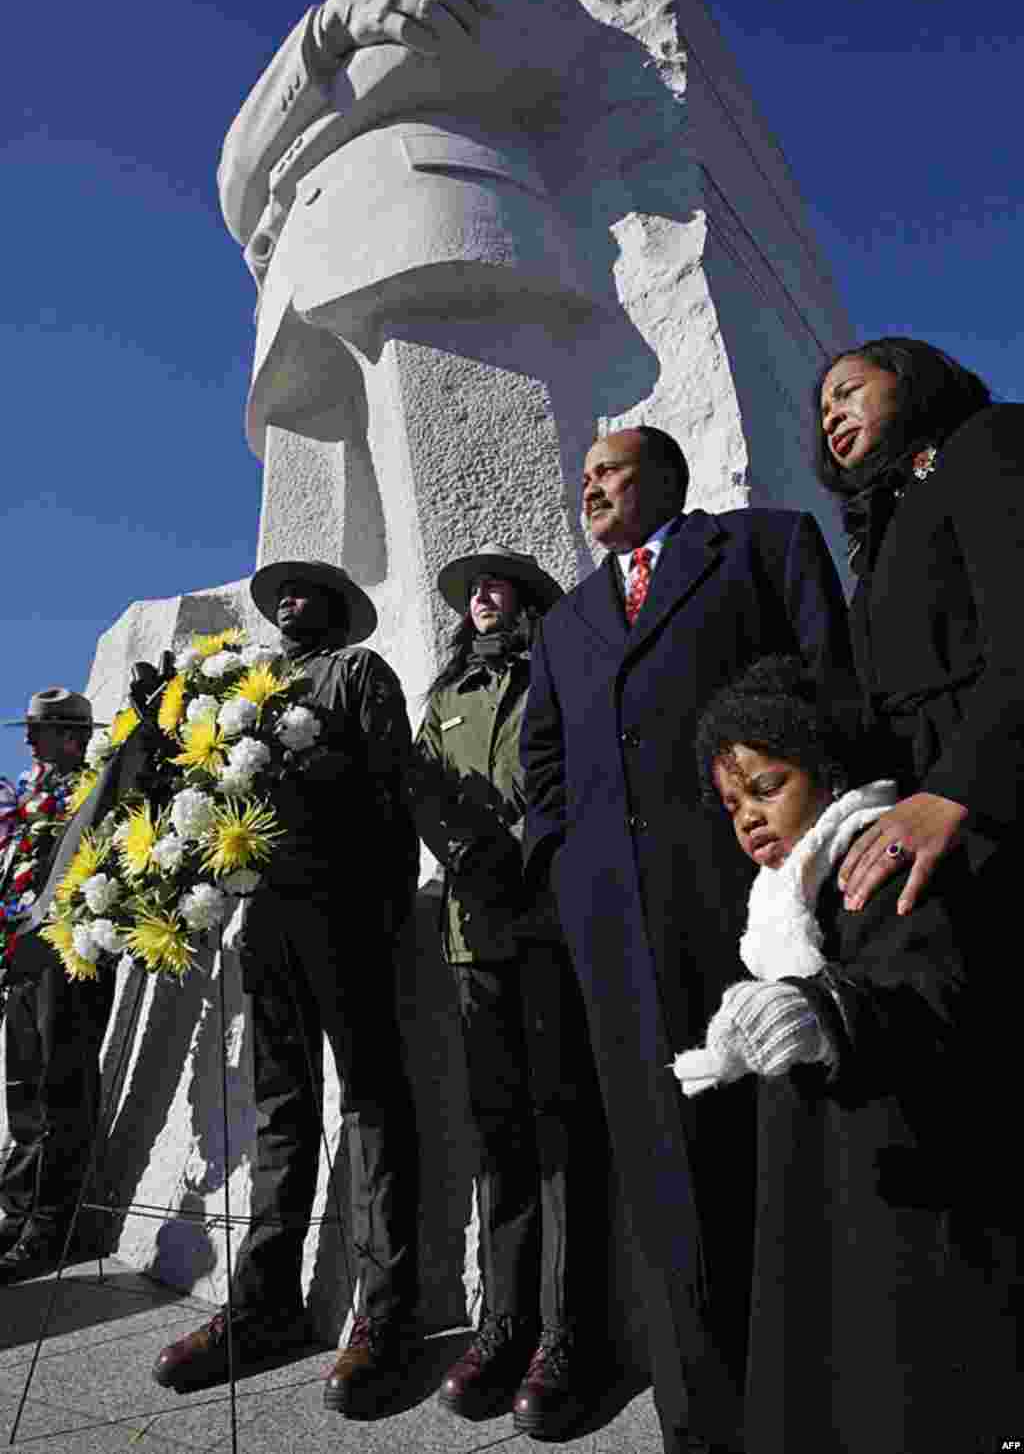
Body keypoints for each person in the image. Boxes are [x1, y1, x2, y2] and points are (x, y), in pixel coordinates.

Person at [522, 426, 855, 1454]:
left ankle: (813, 1400)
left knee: (779, 1139)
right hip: (613, 931)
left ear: (666, 476)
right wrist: (564, 868)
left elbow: (828, 688)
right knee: (659, 1168)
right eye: (583, 477)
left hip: (749, 901)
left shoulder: (758, 547)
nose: (592, 486)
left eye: (610, 469)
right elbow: (542, 759)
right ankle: (699, 1419)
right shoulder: (566, 621)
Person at [676, 654, 1016, 1452]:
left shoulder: (871, 856)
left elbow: (926, 988)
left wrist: (825, 1010)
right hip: (829, 1176)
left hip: (908, 1182)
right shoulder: (782, 892)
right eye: (732, 804)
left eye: (768, 787)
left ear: (827, 772)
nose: (749, 818)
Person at [152, 561, 420, 1418]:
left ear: (337, 609)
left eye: (306, 592)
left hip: (345, 912)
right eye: (282, 595)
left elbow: (392, 790)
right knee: (278, 1107)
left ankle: (387, 1316)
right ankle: (266, 1303)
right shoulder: (243, 688)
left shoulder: (357, 673)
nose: (289, 602)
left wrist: (382, 910)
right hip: (265, 923)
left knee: (372, 1104)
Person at [409, 544, 608, 1438]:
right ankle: (505, 1324)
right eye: (472, 591)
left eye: (497, 586)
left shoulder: (553, 674)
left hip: (548, 929)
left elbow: (574, 779)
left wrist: (517, 849)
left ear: (525, 601)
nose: (482, 599)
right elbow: (420, 790)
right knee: (500, 1138)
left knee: (564, 1129)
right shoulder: (445, 700)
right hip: (469, 938)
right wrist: (458, 851)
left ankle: (571, 1336)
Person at [813, 337, 1024, 917]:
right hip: (923, 804)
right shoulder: (882, 532)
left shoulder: (986, 442)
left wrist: (960, 787)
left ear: (909, 380)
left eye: (848, 392)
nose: (831, 415)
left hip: (991, 790)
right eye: (824, 409)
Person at [0, 688, 116, 1283]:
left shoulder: (96, 794)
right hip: (24, 956)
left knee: (62, 1087)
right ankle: (17, 1211)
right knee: (24, 1085)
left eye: (38, 731)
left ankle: (53, 1225)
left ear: (72, 737)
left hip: (71, 953)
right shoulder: (31, 796)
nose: (27, 742)